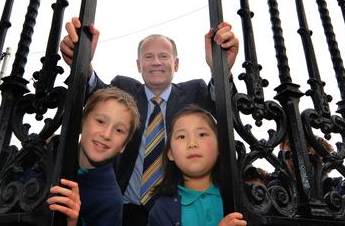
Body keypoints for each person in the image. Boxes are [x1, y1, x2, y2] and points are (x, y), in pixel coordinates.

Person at [59, 17, 239, 225]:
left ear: (176, 64)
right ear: (138, 65)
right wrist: (83, 63)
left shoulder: (194, 91)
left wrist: (221, 69)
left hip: (175, 211)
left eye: (164, 56)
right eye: (148, 57)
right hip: (122, 210)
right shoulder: (122, 87)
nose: (156, 62)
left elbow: (225, 110)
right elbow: (97, 100)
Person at [47, 87, 140, 226]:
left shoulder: (111, 201)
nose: (106, 135)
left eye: (119, 130)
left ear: (123, 146)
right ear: (82, 120)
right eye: (101, 121)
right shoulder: (51, 150)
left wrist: (72, 222)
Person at [148, 105, 246, 226]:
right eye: (182, 136)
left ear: (220, 146)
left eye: (202, 134)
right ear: (170, 153)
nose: (192, 143)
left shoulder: (244, 195)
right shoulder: (161, 210)